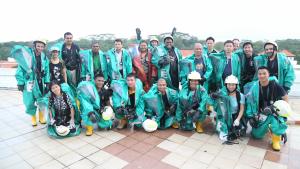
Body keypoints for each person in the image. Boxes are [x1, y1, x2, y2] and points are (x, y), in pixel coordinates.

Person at [246, 66, 288, 151]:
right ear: (257, 75)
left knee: (276, 120)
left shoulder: (275, 85)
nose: (262, 76)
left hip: (274, 113)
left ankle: (276, 139)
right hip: (261, 114)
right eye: (260, 74)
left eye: (264, 73)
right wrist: (251, 116)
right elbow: (250, 102)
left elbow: (285, 98)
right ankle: (268, 127)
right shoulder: (254, 87)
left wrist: (283, 113)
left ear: (268, 74)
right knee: (256, 135)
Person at [13, 39, 50, 126]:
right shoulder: (28, 56)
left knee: (41, 99)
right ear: (35, 46)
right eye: (38, 46)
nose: (40, 48)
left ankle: (41, 117)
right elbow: (20, 69)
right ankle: (33, 118)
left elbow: (47, 70)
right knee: (29, 101)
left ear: (44, 47)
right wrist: (20, 82)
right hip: (29, 82)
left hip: (40, 81)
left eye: (42, 46)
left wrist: (47, 81)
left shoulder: (44, 57)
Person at [210, 75, 246, 142]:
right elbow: (211, 100)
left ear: (236, 85)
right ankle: (217, 121)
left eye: (233, 85)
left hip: (234, 116)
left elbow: (242, 109)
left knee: (238, 132)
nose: (231, 87)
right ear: (226, 85)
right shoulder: (221, 93)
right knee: (223, 132)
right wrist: (213, 96)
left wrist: (238, 119)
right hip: (224, 116)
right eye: (229, 84)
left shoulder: (240, 96)